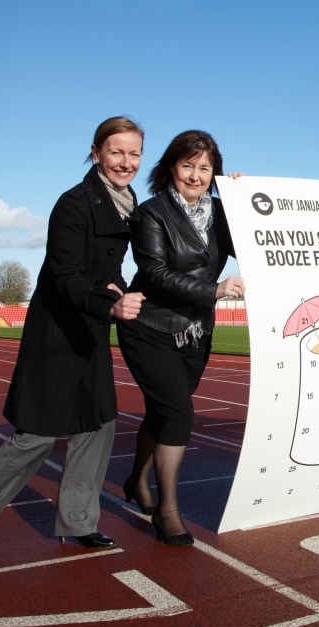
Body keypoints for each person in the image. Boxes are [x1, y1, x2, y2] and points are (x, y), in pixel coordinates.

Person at [0, 117, 147, 558]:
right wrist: (108, 303)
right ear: (96, 152)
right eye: (116, 152)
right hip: (58, 331)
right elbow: (64, 277)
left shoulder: (130, 202)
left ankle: (78, 523)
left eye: (134, 153)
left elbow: (116, 258)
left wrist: (228, 192)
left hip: (90, 331)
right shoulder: (73, 204)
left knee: (98, 425)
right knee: (36, 435)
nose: (125, 162)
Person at [118, 130, 244, 546]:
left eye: (204, 168)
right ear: (172, 166)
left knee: (162, 412)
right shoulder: (151, 212)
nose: (195, 175)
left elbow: (264, 240)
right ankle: (168, 511)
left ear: (215, 173)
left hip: (195, 333)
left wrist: (248, 201)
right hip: (150, 326)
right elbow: (154, 273)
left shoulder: (225, 215)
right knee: (177, 413)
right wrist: (216, 290)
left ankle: (137, 480)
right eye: (187, 165)